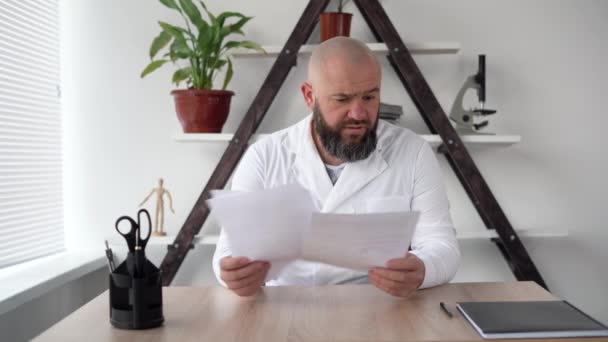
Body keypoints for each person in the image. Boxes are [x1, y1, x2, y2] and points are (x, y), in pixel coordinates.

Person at [212, 37, 460, 297]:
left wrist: (422, 269)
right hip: (286, 308)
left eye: (369, 97)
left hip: (379, 308)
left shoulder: (413, 152)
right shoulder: (264, 156)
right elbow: (228, 252)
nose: (359, 113)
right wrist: (234, 273)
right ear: (310, 96)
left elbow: (442, 245)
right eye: (342, 99)